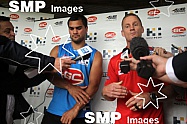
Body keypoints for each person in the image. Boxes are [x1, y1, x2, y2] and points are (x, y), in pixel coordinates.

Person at [0, 16, 76, 124]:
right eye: (7, 31)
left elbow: (21, 81)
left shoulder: (15, 59)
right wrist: (51, 62)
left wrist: (45, 71)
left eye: (13, 30)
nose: (13, 34)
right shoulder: (11, 51)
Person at [102, 13, 173, 124]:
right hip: (124, 120)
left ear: (142, 29)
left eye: (135, 24)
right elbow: (108, 97)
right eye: (127, 26)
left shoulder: (158, 56)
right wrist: (105, 92)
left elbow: (173, 91)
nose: (132, 28)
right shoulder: (115, 61)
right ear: (122, 33)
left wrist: (151, 96)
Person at [41, 14, 103, 124]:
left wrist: (75, 109)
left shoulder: (95, 55)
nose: (75, 32)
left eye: (78, 28)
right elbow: (49, 75)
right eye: (71, 28)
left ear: (86, 29)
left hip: (81, 113)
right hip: (55, 111)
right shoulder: (57, 50)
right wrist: (70, 87)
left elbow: (94, 86)